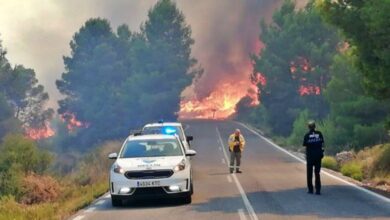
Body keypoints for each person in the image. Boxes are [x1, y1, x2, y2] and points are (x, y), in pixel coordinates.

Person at [303, 120, 324, 195]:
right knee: (317, 173)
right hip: (318, 156)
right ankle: (318, 190)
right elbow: (322, 144)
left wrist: (306, 155)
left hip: (310, 157)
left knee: (309, 173)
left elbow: (305, 146)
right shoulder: (319, 134)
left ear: (309, 127)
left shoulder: (307, 135)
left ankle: (310, 189)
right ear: (315, 126)